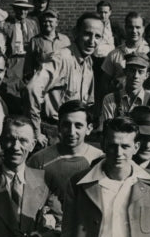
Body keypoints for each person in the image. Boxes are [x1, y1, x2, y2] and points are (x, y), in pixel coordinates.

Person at [26, 13, 102, 147]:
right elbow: (32, 89)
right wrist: (36, 131)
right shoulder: (61, 58)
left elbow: (88, 103)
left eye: (97, 36)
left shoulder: (88, 61)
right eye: (87, 34)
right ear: (75, 33)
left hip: (75, 132)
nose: (92, 41)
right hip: (53, 132)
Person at [98, 52, 150, 130]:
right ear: (125, 72)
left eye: (140, 72)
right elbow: (107, 130)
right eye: (132, 70)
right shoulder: (110, 99)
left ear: (147, 75)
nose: (136, 76)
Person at [1, 0, 39, 92]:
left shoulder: (32, 23)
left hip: (29, 59)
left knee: (30, 85)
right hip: (15, 59)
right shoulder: (7, 25)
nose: (23, 12)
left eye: (25, 9)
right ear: (14, 9)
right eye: (19, 9)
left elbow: (37, 40)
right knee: (14, 86)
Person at [24, 7, 71, 83]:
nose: (47, 24)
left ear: (57, 23)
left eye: (50, 21)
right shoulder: (35, 40)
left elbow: (70, 62)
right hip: (42, 81)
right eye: (45, 21)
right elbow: (28, 65)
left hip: (62, 81)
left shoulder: (65, 40)